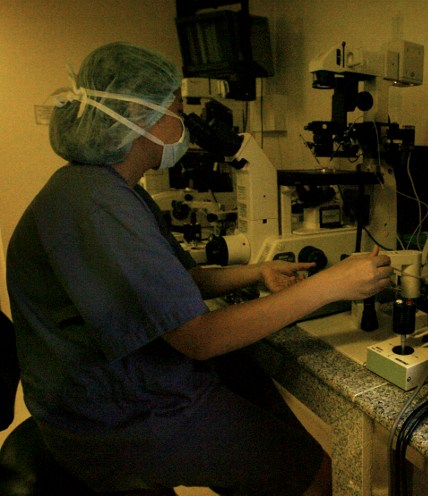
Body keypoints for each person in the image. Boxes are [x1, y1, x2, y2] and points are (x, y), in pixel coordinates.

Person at [6, 42, 393, 495]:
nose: (183, 123)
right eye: (175, 109)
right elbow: (200, 338)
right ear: (140, 121)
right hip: (117, 421)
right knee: (315, 472)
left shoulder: (108, 188)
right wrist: (330, 285)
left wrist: (258, 272)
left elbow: (179, 279)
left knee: (256, 400)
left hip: (119, 395)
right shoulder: (95, 204)